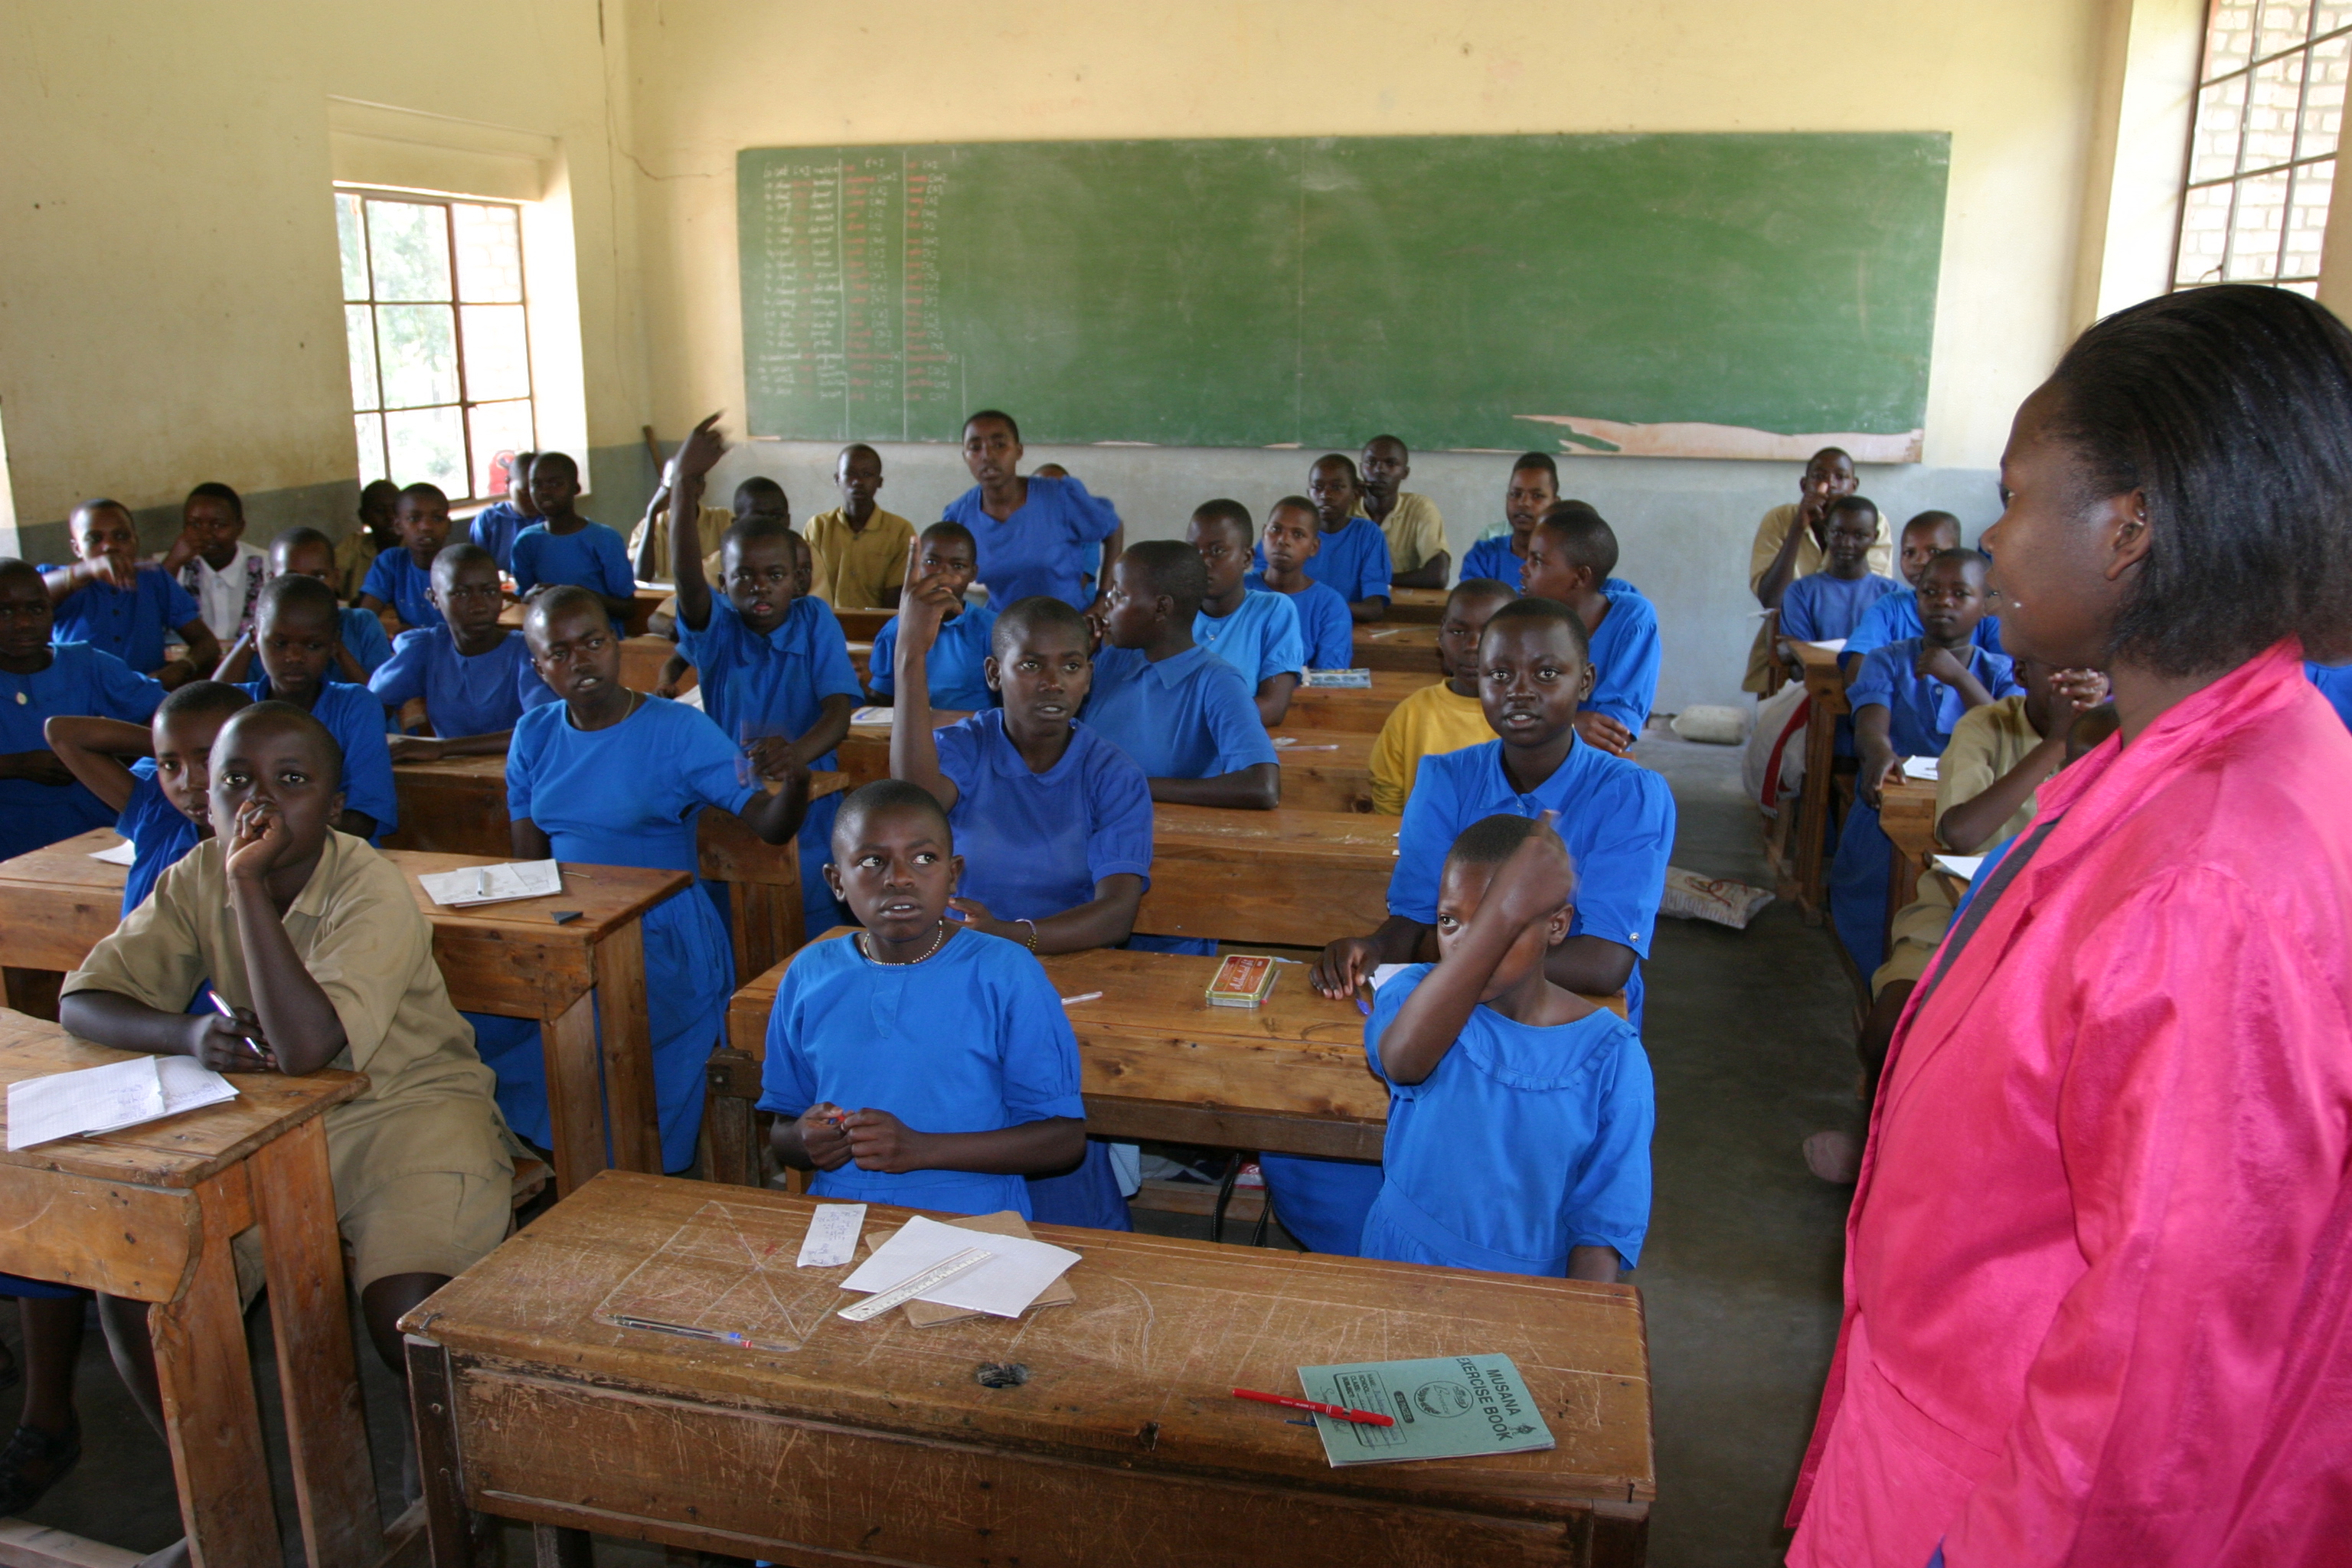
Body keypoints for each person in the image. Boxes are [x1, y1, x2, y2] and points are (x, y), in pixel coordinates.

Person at [1788, 284, 2352, 1568]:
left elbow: (2158, 1374)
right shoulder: (2167, 762)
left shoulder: (2210, 877)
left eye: (2016, 494)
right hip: (1948, 1422)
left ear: (2128, 530)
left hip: (2006, 1506)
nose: (1990, 538)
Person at [61, 702, 518, 1400]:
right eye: (236, 781)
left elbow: (305, 1047)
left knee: (413, 1320)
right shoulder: (195, 874)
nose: (260, 802)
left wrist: (246, 880)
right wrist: (187, 1034)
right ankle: (213, 1469)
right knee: (142, 1290)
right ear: (206, 798)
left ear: (334, 807)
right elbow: (84, 1001)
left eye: (291, 780)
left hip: (406, 1113)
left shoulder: (368, 885)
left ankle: (442, 1462)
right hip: (266, 1125)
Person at [1298, 599, 1673, 1254]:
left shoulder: (1631, 794)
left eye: (1547, 673)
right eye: (1501, 674)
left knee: (1538, 1213)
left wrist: (1454, 949)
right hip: (1456, 1025)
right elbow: (1415, 919)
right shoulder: (1447, 776)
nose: (1520, 690)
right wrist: (1373, 946)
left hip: (1566, 1038)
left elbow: (1605, 963)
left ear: (1586, 681)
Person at [510, 586, 810, 1171]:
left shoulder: (677, 730)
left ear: (616, 643)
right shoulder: (534, 734)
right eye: (559, 653)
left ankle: (614, 1173)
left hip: (662, 941)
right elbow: (529, 866)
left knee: (590, 1036)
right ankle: (564, 1166)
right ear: (539, 667)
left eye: (593, 642)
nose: (581, 661)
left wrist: (795, 780)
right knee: (489, 1021)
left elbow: (769, 825)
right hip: (570, 929)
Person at [890, 566, 1153, 1229]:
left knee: (1062, 1183)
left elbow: (1117, 913)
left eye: (1071, 665)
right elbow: (911, 807)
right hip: (962, 970)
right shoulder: (967, 747)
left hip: (1070, 979)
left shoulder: (1110, 773)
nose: (1052, 681)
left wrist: (1012, 935)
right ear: (994, 673)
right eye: (1030, 664)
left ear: (1089, 677)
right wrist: (910, 655)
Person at [1802, 666, 2109, 1187]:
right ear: (2021, 669)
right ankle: (1879, 1147)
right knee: (1889, 1030)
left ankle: (1960, 1166)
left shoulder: (2118, 732)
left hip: (2060, 928)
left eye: (2091, 670)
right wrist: (2057, 742)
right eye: (2059, 669)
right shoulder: (1988, 726)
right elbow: (1961, 833)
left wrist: (2085, 737)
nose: (2075, 685)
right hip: (1957, 911)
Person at [761, 780, 1088, 1217]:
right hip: (842, 1211)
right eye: (872, 861)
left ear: (953, 873)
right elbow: (783, 1127)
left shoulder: (1005, 971)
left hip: (973, 1215)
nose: (899, 878)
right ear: (837, 881)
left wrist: (921, 1149)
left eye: (924, 859)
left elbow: (1063, 1140)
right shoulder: (810, 973)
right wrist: (806, 1138)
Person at [1359, 812, 1652, 1279]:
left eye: (1498, 925)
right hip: (1400, 1263)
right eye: (1449, 921)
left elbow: (1603, 1227)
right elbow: (1402, 1062)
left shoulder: (1612, 1056)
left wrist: (1582, 1320)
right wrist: (1503, 916)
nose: (1465, 944)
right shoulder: (1414, 997)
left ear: (1557, 926)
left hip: (1528, 1290)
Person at [668, 415, 861, 936]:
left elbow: (838, 714)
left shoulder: (814, 619)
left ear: (797, 581)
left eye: (774, 575)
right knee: (735, 926)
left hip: (812, 803)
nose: (760, 588)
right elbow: (685, 576)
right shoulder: (717, 629)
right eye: (743, 577)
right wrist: (682, 484)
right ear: (723, 583)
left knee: (811, 925)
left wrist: (796, 754)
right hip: (731, 804)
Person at [1827, 549, 2019, 977]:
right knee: (1874, 913)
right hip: (1893, 803)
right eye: (1930, 591)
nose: (1942, 601)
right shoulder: (1888, 660)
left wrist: (1959, 678)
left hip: (1975, 816)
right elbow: (1871, 725)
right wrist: (1879, 754)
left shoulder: (2001, 671)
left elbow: (2007, 735)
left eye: (1960, 593)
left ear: (1985, 605)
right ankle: (1880, 987)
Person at [1083, 541, 1280, 814]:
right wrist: (1074, 661)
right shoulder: (1113, 660)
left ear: (1161, 608)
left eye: (1120, 594)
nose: (1108, 603)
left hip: (1157, 830)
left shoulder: (1217, 682)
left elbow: (1262, 787)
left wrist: (1131, 785)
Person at [0, 558, 168, 861]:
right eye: (5, 612)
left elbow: (168, 718)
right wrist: (16, 765)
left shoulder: (85, 663)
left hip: (95, 827)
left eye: (37, 609)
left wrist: (111, 755)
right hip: (10, 831)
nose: (23, 623)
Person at [46, 680, 251, 915]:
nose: (188, 783)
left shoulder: (270, 850)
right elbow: (62, 733)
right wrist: (168, 744)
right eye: (171, 765)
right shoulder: (159, 815)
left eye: (207, 761)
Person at [234, 573, 399, 842]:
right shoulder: (236, 706)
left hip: (340, 856)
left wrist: (278, 841)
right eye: (280, 643)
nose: (295, 657)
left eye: (313, 645)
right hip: (249, 853)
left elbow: (365, 818)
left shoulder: (356, 706)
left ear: (334, 645)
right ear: (254, 638)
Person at [371, 543, 555, 759]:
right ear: (434, 598)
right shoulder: (426, 649)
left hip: (524, 770)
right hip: (452, 772)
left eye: (489, 591)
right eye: (461, 593)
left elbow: (542, 729)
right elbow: (372, 705)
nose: (479, 605)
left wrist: (443, 748)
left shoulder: (526, 652)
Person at [1743, 446, 1892, 692]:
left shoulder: (1872, 521)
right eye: (1820, 477)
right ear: (1805, 485)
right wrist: (1797, 527)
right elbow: (1772, 599)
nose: (1830, 484)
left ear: (1854, 485)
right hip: (1786, 649)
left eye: (1840, 477)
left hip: (1854, 647)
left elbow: (1869, 595)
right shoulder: (1779, 519)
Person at [1521, 502, 1663, 756]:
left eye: (1537, 561)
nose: (1523, 569)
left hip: (1594, 760)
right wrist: (1568, 726)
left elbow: (1613, 730)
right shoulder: (1518, 618)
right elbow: (1506, 710)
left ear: (1580, 577)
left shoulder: (1632, 618)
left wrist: (1548, 727)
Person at [942, 411, 1123, 609]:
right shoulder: (959, 516)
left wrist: (1103, 598)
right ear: (965, 456)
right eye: (975, 448)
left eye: (999, 445)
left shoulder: (1059, 496)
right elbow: (949, 575)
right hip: (1002, 624)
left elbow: (1113, 528)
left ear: (1019, 451)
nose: (987, 456)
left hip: (1068, 621)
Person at [1367, 578, 1517, 815]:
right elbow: (1388, 797)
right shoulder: (1412, 712)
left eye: (1490, 632)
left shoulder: (1532, 716)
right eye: (1458, 632)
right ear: (1441, 634)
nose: (1472, 645)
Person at [42, 500, 219, 688]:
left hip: (143, 696)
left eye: (121, 536)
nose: (109, 546)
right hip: (80, 697)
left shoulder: (152, 578)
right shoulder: (62, 581)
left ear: (135, 540)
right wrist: (88, 570)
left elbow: (207, 643)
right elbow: (38, 593)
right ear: (77, 548)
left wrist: (182, 667)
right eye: (95, 539)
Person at [215, 528, 393, 688]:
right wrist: (255, 633)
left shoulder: (360, 623)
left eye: (319, 576)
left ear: (336, 578)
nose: (306, 586)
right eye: (291, 576)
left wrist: (337, 647)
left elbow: (382, 700)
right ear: (271, 580)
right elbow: (217, 697)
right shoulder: (268, 631)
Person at [1187, 500, 1307, 727]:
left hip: (1235, 743)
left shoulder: (1273, 610)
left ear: (1247, 558)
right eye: (1194, 551)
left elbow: (1273, 707)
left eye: (1217, 551)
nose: (1203, 562)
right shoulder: (1173, 611)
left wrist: (1190, 722)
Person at [1841, 509, 2006, 665]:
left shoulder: (1986, 610)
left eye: (1934, 551)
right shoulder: (1890, 607)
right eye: (1909, 552)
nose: (1919, 561)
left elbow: (2008, 673)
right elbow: (1859, 667)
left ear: (1956, 553)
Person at [865, 522, 998, 714]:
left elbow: (1007, 708)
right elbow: (882, 701)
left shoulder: (992, 629)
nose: (943, 574)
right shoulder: (895, 630)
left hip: (975, 730)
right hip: (911, 729)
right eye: (931, 562)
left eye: (958, 566)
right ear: (916, 566)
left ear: (973, 574)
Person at [1259, 454, 1390, 621]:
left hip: (1344, 628)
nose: (1325, 495)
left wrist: (1319, 608)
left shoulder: (1368, 535)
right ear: (1309, 493)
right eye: (1318, 487)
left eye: (1336, 487)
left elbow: (1373, 609)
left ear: (1355, 494)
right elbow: (1260, 598)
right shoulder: (1279, 536)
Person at [510, 452, 635, 624]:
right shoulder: (526, 541)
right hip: (549, 633)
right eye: (536, 484)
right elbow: (525, 599)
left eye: (556, 484)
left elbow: (628, 608)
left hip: (598, 633)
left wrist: (577, 596)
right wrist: (529, 598)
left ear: (575, 488)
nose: (544, 491)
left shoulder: (605, 539)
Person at [1245, 497, 1356, 670]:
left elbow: (1329, 677)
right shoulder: (1238, 590)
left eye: (1298, 534)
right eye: (1275, 529)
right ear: (1264, 534)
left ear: (1314, 547)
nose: (1283, 540)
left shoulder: (1330, 605)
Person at [1776, 497, 1902, 645]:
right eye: (1838, 533)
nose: (1847, 543)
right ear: (1826, 533)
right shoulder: (1801, 592)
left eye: (1859, 535)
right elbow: (1800, 654)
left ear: (1875, 537)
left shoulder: (1895, 594)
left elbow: (1902, 653)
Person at [804, 445, 915, 609]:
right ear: (837, 479)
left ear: (879, 482)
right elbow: (807, 587)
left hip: (877, 622)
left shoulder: (900, 531)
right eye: (850, 474)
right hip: (825, 621)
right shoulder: (818, 527)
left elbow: (897, 595)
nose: (858, 482)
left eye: (867, 474)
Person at [629, 471, 785, 587]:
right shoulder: (649, 526)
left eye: (693, 482)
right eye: (675, 482)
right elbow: (640, 577)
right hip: (662, 600)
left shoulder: (722, 519)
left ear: (702, 487)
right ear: (664, 486)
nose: (684, 489)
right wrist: (652, 512)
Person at [169, 482, 268, 645]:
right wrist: (171, 564)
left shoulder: (267, 567)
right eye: (194, 524)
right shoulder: (172, 566)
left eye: (218, 525)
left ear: (240, 527)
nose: (206, 535)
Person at [358, 482, 453, 633]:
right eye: (414, 518)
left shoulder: (461, 567)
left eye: (437, 518)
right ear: (398, 526)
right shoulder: (392, 562)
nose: (426, 526)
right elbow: (364, 619)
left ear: (448, 526)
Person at [1357, 436, 1449, 590]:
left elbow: (1438, 576)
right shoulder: (1345, 507)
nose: (1379, 470)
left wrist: (1376, 580)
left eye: (1391, 463)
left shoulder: (1420, 508)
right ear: (1361, 469)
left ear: (1405, 473)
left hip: (1402, 602)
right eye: (1371, 462)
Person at [1459, 454, 1560, 592]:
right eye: (1516, 494)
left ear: (1555, 503)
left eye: (1537, 496)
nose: (1524, 503)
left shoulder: (1566, 560)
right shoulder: (1484, 556)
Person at [466, 449, 538, 573]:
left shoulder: (552, 519)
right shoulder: (488, 520)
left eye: (539, 493)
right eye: (526, 494)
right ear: (508, 483)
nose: (534, 501)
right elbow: (477, 567)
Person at [335, 479, 403, 603]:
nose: (390, 516)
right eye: (379, 510)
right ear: (363, 516)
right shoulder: (354, 545)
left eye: (395, 509)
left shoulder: (417, 548)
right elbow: (329, 580)